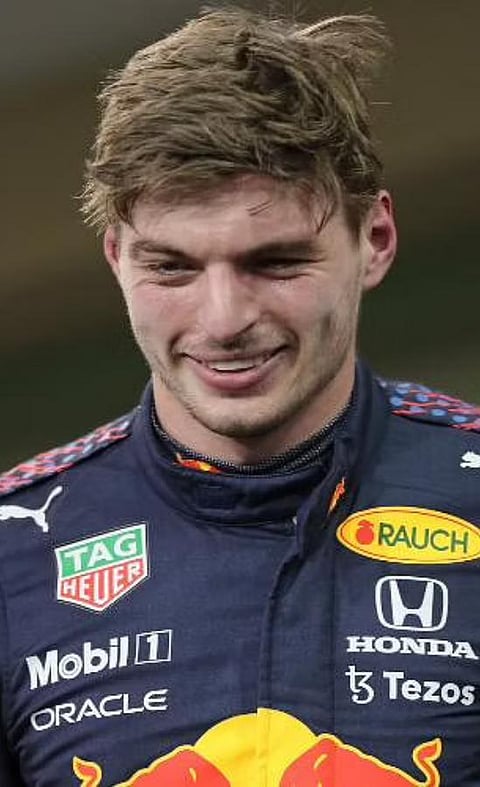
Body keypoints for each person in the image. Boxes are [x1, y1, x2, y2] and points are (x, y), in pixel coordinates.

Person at [0, 7, 479, 786]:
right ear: (117, 257)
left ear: (375, 242)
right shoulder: (12, 556)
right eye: (172, 268)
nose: (223, 322)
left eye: (276, 262)